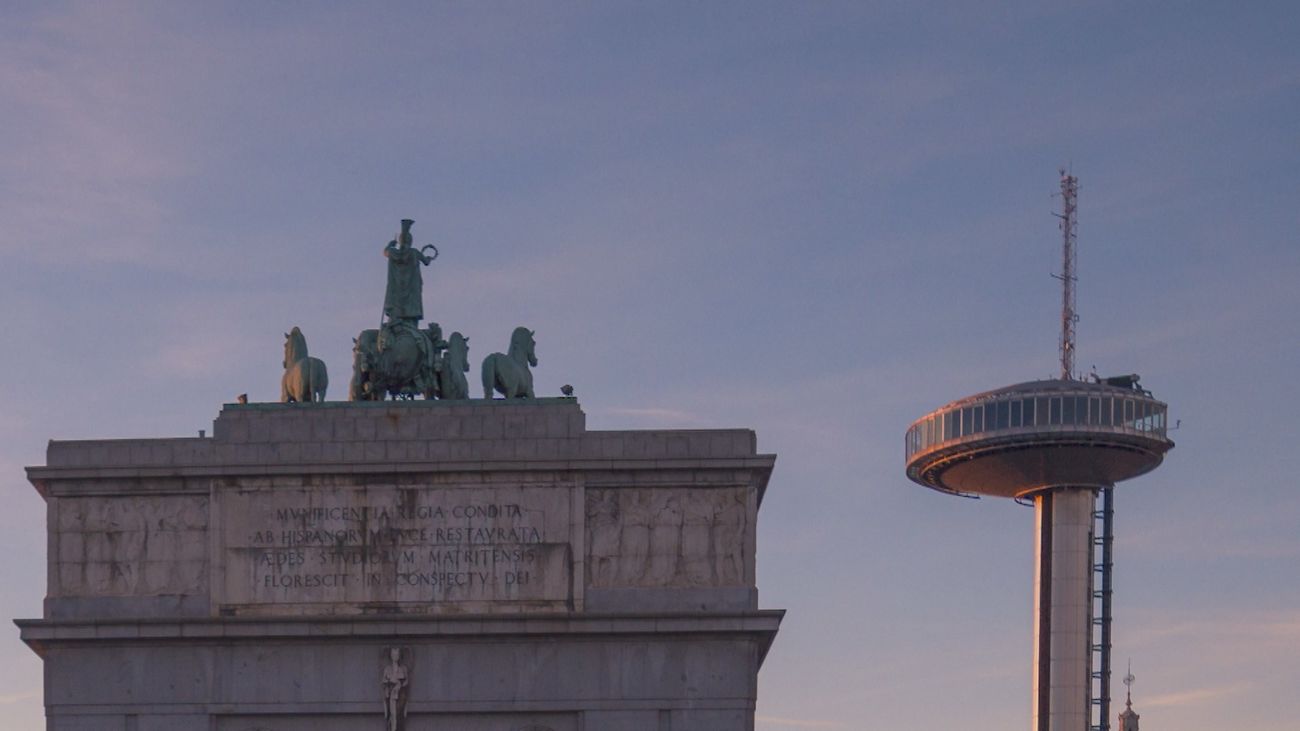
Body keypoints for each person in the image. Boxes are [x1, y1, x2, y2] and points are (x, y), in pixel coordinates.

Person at [383, 219, 436, 324]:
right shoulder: (414, 252)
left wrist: (390, 244)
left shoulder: (393, 252)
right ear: (410, 241)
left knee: (396, 301)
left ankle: (395, 318)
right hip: (412, 289)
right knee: (412, 303)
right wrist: (429, 258)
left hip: (396, 289)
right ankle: (411, 320)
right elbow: (426, 262)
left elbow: (386, 252)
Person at [382, 647, 408, 731]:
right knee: (393, 715)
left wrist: (400, 684)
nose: (395, 656)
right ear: (390, 655)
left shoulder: (403, 668)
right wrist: (390, 681)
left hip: (400, 695)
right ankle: (392, 727)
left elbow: (406, 680)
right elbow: (384, 681)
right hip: (391, 695)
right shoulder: (387, 669)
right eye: (393, 654)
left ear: (400, 655)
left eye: (397, 654)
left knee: (398, 714)